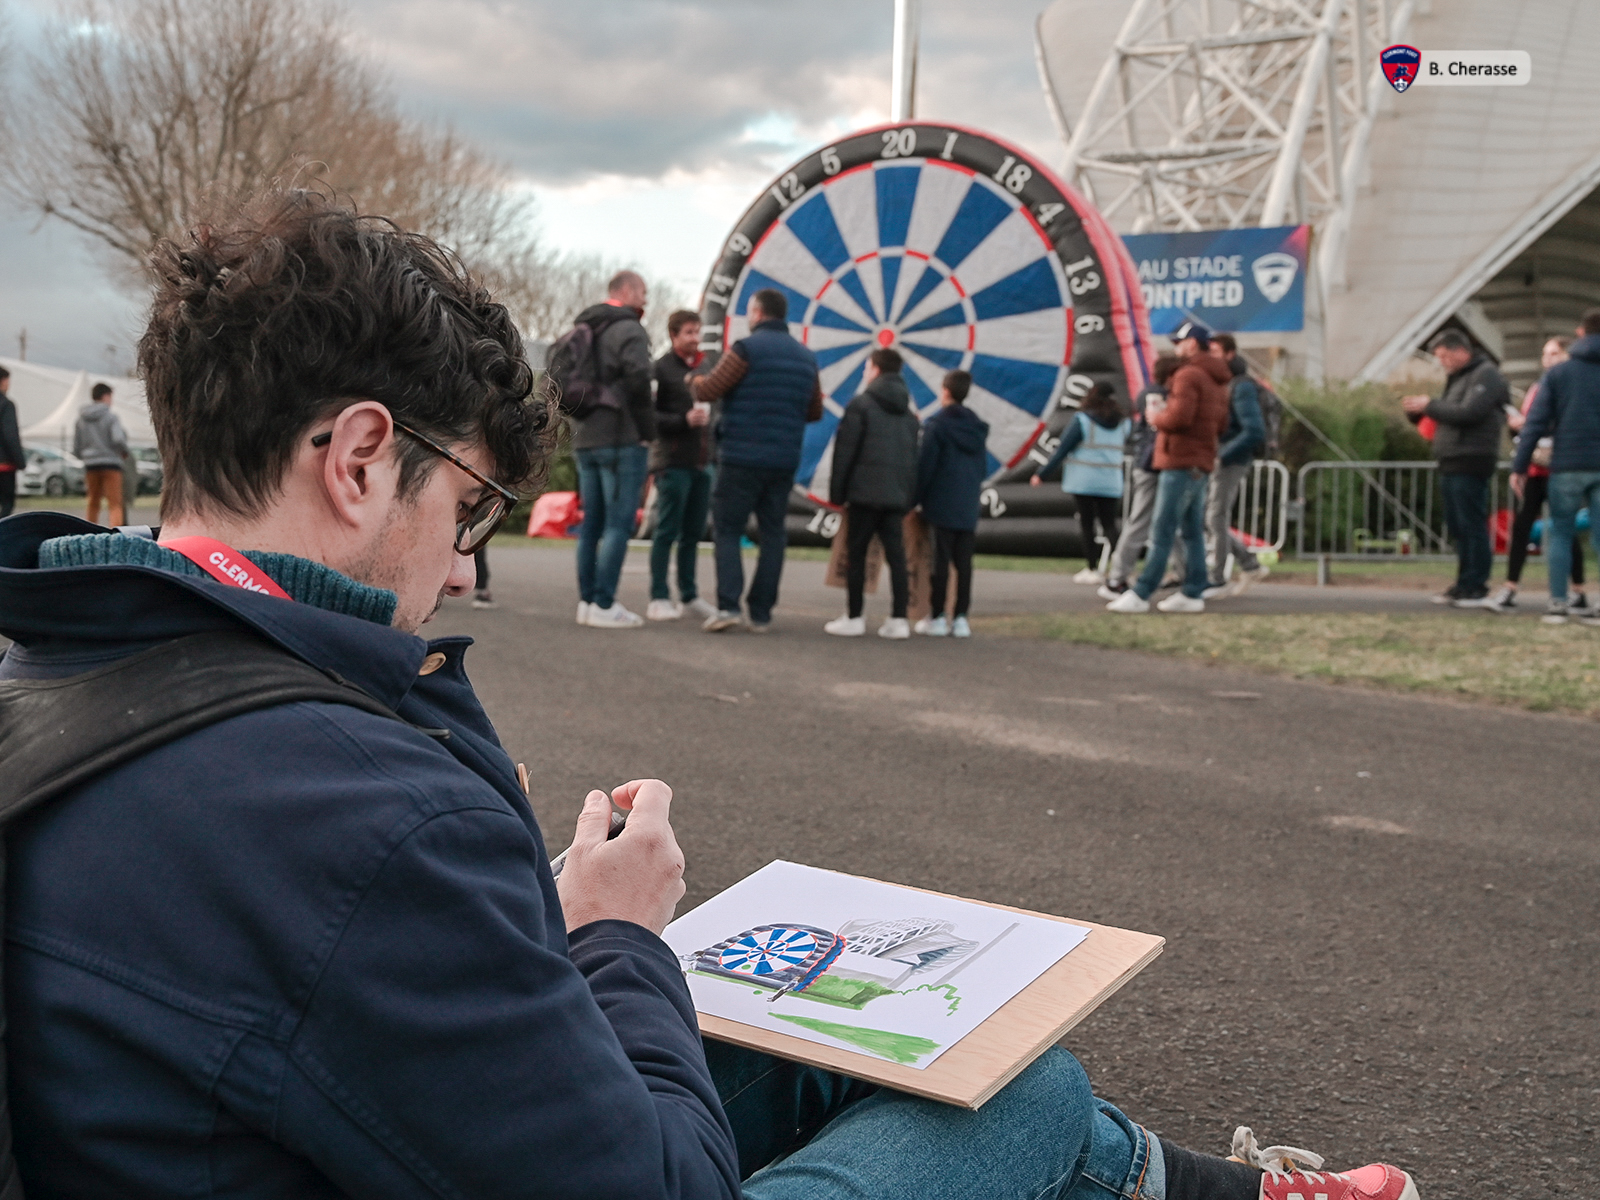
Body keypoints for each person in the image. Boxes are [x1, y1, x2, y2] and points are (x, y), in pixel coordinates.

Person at [0, 190, 1421, 1200]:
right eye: (475, 506)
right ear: (364, 458)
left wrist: (527, 932)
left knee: (822, 1073)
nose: (455, 568)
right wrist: (616, 935)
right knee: (1018, 1090)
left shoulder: (65, 658)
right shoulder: (348, 808)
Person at [690, 288, 823, 632]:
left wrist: (693, 379)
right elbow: (815, 410)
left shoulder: (745, 350)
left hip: (740, 455)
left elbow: (709, 390)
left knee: (729, 529)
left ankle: (729, 606)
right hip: (783, 459)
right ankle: (761, 613)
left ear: (759, 313)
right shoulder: (807, 357)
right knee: (773, 534)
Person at [1107, 321, 1232, 614]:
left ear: (1192, 344)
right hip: (1200, 460)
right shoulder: (1216, 379)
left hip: (1180, 460)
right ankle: (1192, 592)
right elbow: (1223, 424)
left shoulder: (1188, 375)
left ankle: (1141, 592)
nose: (1176, 347)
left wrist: (1156, 416)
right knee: (1191, 533)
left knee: (1162, 529)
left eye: (1180, 342)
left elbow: (1179, 419)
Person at [570, 269, 656, 629]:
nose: (646, 299)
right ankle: (605, 604)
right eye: (643, 292)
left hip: (586, 436)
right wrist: (647, 430)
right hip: (621, 439)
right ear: (627, 290)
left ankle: (588, 602)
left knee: (592, 524)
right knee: (619, 524)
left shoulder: (584, 327)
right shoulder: (629, 329)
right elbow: (638, 377)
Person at [1401, 330, 1507, 608]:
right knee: (1458, 525)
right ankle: (1463, 583)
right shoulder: (1458, 379)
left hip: (1472, 457)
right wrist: (1421, 413)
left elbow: (1470, 413)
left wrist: (1431, 405)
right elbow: (1448, 413)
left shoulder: (1486, 375)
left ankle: (1476, 585)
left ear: (1461, 351)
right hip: (1451, 457)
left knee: (1471, 524)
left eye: (1445, 356)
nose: (1443, 363)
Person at [1511, 308, 1600, 625]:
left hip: (1567, 464)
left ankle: (1558, 604)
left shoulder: (1559, 375)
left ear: (1580, 333)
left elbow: (1534, 423)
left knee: (1561, 533)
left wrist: (1519, 465)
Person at [825, 348, 921, 639]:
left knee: (857, 554)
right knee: (897, 557)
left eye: (867, 367)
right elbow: (913, 460)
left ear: (876, 370)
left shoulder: (861, 405)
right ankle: (899, 619)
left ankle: (854, 616)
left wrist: (837, 494)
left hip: (863, 494)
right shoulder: (909, 414)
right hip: (895, 497)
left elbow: (845, 452)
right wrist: (908, 498)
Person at [1491, 336, 1584, 613]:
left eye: (1554, 353)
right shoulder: (1538, 386)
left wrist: (1532, 425)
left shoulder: (1569, 384)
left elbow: (1560, 422)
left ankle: (1576, 590)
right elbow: (1531, 426)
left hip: (1560, 467)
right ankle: (1510, 586)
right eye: (1546, 353)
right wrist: (1518, 427)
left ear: (1566, 355)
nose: (1548, 359)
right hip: (1535, 467)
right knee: (1522, 527)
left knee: (1564, 528)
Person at [647, 308, 715, 621]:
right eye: (688, 332)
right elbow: (650, 417)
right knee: (666, 531)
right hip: (672, 462)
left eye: (697, 331)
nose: (695, 338)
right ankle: (659, 596)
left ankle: (689, 595)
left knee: (694, 533)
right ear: (674, 335)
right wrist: (683, 420)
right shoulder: (660, 368)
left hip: (703, 463)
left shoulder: (709, 366)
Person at [1100, 354, 1181, 600]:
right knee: (1142, 520)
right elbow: (1158, 429)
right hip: (1151, 465)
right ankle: (1117, 576)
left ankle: (1183, 569)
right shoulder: (1157, 396)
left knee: (1172, 520)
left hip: (1150, 463)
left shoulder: (1148, 393)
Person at [914, 368, 988, 638]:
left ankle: (937, 616)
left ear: (944, 391)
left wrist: (915, 499)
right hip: (967, 501)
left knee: (940, 562)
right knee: (964, 563)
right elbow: (982, 468)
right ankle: (961, 618)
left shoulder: (938, 425)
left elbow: (926, 467)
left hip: (941, 501)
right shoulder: (977, 428)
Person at [1032, 382, 1129, 585]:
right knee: (1110, 524)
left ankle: (1092, 568)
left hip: (1084, 480)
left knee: (1087, 524)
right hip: (1111, 480)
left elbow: (1062, 449)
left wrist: (1042, 474)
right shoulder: (1123, 422)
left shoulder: (1083, 420)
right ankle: (1121, 570)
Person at [1203, 334, 1269, 599]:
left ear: (1230, 354)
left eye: (1216, 352)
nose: (1211, 357)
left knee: (1214, 516)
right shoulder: (1227, 383)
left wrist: (1223, 454)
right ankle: (1249, 564)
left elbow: (1254, 430)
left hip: (1231, 459)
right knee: (1209, 517)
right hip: (1224, 455)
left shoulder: (1241, 386)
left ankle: (1218, 578)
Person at [73, 381, 129, 526]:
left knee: (93, 501)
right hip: (111, 463)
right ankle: (116, 533)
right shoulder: (111, 417)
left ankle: (89, 531)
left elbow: (77, 445)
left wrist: (84, 456)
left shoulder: (81, 419)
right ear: (105, 396)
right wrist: (124, 451)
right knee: (115, 503)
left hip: (91, 464)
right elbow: (118, 439)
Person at [0, 367, 23, 519]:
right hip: (4, 464)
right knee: (6, 505)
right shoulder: (6, 405)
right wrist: (20, 460)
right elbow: (10, 435)